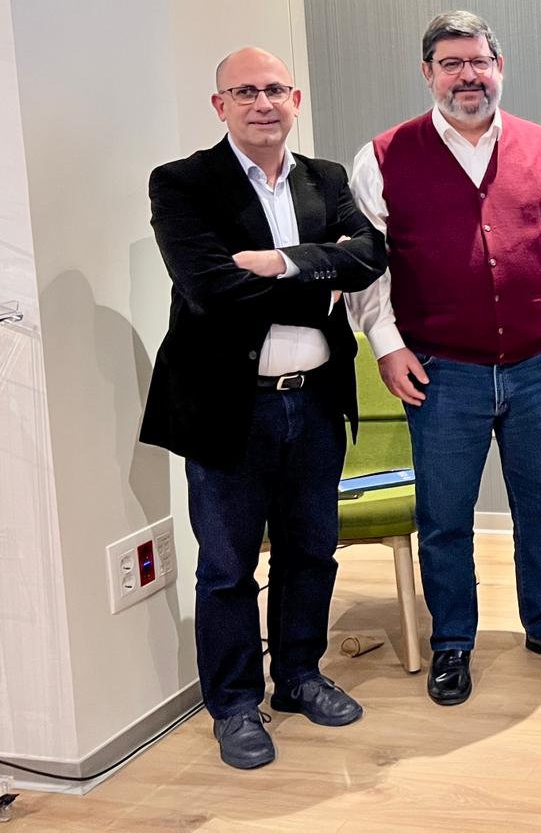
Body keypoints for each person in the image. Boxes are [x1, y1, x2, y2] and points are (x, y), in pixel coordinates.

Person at [346, 11, 541, 706]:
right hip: (440, 372)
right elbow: (367, 267)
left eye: (479, 62)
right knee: (445, 517)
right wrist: (387, 344)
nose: (468, 76)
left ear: (499, 67)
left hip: (535, 367)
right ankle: (453, 640)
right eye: (451, 64)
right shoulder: (382, 157)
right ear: (427, 73)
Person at [141, 48, 387, 770]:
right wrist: (321, 271)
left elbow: (371, 256)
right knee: (227, 567)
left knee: (311, 551)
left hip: (315, 404)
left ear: (295, 99)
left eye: (275, 89)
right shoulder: (183, 183)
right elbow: (210, 289)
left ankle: (300, 676)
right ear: (219, 105)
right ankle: (236, 704)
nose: (262, 103)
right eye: (244, 91)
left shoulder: (326, 179)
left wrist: (279, 261)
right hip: (229, 411)